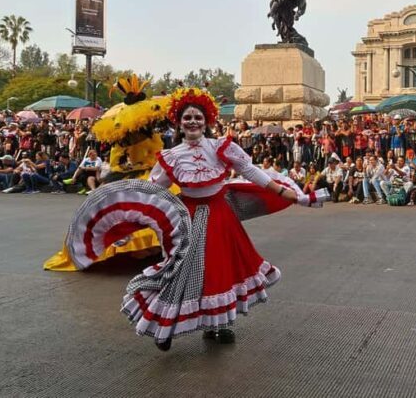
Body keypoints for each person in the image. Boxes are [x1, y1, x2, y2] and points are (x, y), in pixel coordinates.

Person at [72, 87, 325, 351]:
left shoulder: (221, 147)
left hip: (220, 217)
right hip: (186, 218)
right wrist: (126, 223)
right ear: (179, 123)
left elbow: (250, 171)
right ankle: (165, 324)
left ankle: (220, 324)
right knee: (180, 271)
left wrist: (283, 192)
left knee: (220, 270)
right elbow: (151, 192)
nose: (192, 121)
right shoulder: (170, 156)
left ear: (207, 121)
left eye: (197, 117)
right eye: (187, 117)